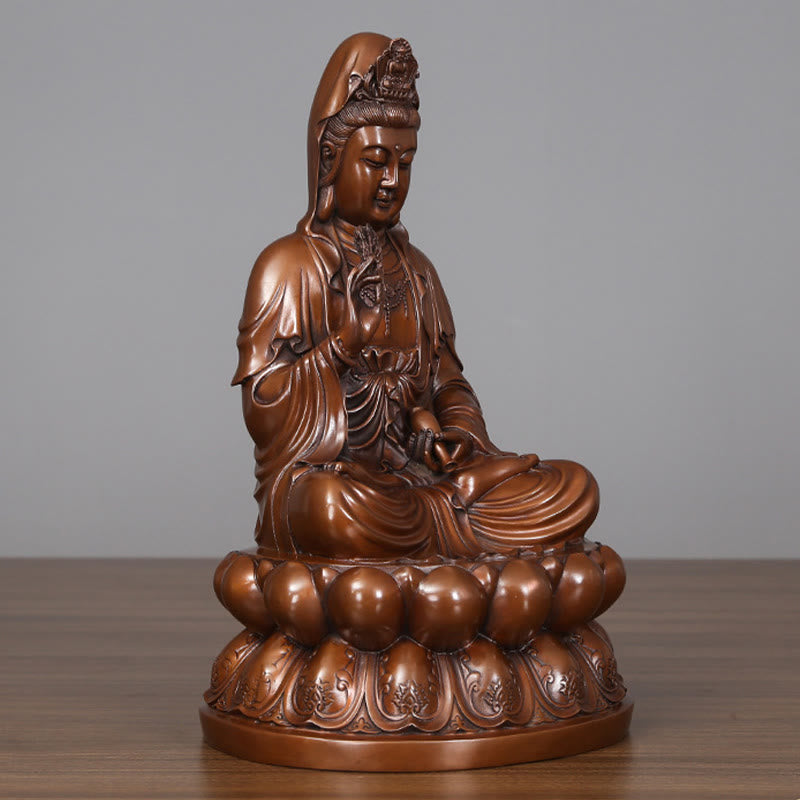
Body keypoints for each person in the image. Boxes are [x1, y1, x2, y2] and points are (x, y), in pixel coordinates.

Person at [232, 33, 599, 559]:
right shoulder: (289, 266)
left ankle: (445, 526)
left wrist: (453, 434)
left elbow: (449, 382)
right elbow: (265, 406)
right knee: (327, 506)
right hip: (347, 486)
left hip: (426, 479)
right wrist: (340, 349)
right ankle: (450, 541)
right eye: (376, 161)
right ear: (331, 160)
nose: (392, 181)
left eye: (405, 163)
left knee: (574, 487)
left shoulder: (417, 270)